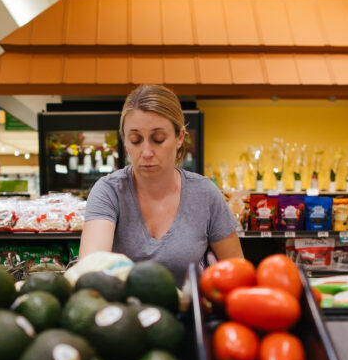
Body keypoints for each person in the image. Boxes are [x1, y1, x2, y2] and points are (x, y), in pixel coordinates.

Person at [80, 84, 243, 285]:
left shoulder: (205, 194)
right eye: (135, 140)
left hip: (187, 314)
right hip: (123, 313)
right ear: (124, 140)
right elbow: (91, 268)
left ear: (179, 137)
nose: (146, 152)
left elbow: (238, 273)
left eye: (158, 139)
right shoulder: (109, 191)